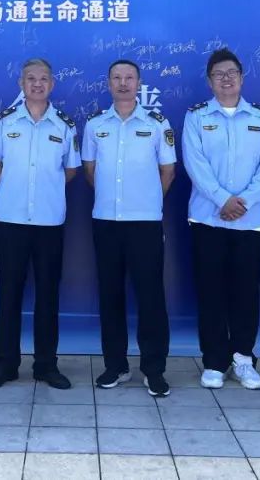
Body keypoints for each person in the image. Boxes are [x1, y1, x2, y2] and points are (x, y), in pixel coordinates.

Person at [0, 58, 80, 391]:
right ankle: (5, 365)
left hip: (49, 221)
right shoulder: (4, 121)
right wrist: (14, 189)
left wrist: (43, 191)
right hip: (11, 220)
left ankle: (46, 366)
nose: (37, 84)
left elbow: (70, 170)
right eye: (31, 79)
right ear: (21, 84)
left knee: (48, 295)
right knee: (9, 294)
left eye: (43, 79)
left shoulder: (64, 125)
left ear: (52, 84)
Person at [182, 48, 260, 391]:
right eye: (219, 74)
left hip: (250, 221)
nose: (226, 79)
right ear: (209, 81)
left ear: (242, 77)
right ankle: (214, 361)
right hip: (208, 219)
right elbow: (195, 164)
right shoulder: (196, 117)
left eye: (232, 73)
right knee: (210, 292)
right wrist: (223, 199)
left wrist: (244, 202)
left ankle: (243, 359)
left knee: (246, 293)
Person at [82, 59, 176, 397]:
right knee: (110, 295)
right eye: (117, 78)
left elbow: (168, 171)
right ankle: (115, 366)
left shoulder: (157, 124)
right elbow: (90, 170)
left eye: (129, 77)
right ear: (108, 83)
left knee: (151, 297)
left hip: (144, 223)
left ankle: (154, 369)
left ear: (139, 83)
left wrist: (145, 200)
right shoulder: (95, 124)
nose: (123, 83)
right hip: (106, 222)